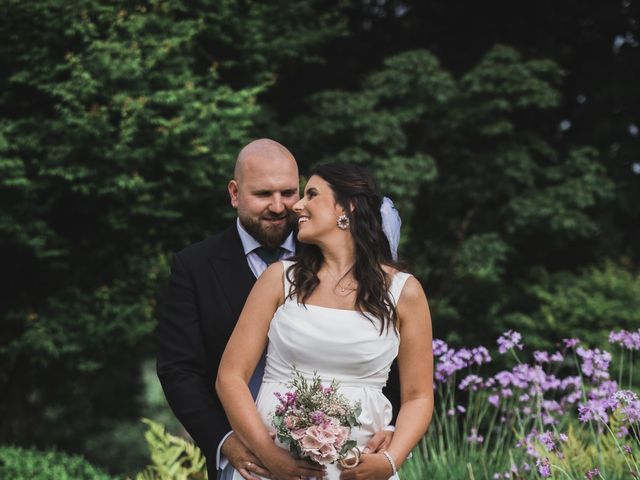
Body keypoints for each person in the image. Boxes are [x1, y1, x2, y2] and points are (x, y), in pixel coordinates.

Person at [157, 141, 400, 480]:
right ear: (235, 193)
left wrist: (391, 429)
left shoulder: (333, 249)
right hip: (243, 460)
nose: (278, 206)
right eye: (263, 194)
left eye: (288, 192)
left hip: (350, 457)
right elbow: (179, 370)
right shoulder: (195, 266)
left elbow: (385, 350)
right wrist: (227, 443)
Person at [216, 163, 434, 480]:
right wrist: (270, 456)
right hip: (273, 468)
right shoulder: (278, 279)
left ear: (348, 208)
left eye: (312, 195)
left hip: (358, 470)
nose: (297, 206)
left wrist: (389, 460)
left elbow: (419, 396)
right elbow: (230, 377)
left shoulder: (405, 292)